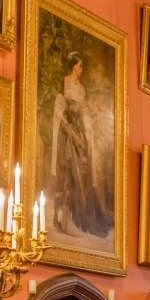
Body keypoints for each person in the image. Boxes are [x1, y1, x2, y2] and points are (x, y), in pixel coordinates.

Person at [49, 52, 109, 237]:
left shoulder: (82, 89)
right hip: (67, 132)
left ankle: (79, 217)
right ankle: (61, 219)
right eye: (80, 65)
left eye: (82, 66)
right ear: (74, 65)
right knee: (67, 173)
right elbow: (59, 111)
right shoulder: (64, 82)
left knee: (82, 173)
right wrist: (72, 133)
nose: (81, 69)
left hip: (79, 129)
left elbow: (83, 111)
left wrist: (86, 133)